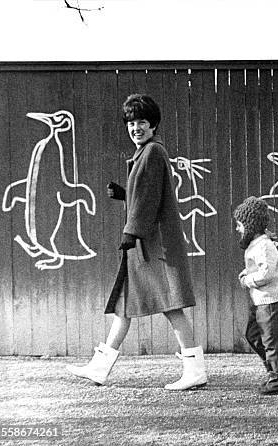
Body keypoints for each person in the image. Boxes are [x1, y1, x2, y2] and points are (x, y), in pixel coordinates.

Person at [67, 94, 207, 391]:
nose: (135, 128)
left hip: (154, 247)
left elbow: (147, 199)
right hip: (148, 246)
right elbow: (144, 192)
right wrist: (124, 193)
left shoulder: (152, 152)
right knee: (125, 306)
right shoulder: (146, 153)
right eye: (131, 123)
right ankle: (100, 368)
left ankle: (195, 371)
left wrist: (131, 230)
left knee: (171, 306)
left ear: (153, 125)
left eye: (142, 122)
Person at [234, 196, 278, 395]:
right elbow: (257, 268)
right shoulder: (255, 245)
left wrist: (248, 280)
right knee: (253, 334)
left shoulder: (265, 245)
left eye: (240, 225)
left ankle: (277, 379)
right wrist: (247, 273)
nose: (238, 229)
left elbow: (268, 273)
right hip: (259, 301)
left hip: (271, 302)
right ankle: (272, 371)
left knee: (271, 340)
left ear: (250, 225)